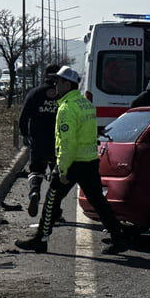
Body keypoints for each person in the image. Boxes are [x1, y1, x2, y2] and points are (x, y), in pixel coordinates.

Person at [15, 67, 127, 256]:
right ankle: (118, 237)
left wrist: (63, 170)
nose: (55, 85)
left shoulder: (67, 108)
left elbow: (67, 142)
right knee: (98, 201)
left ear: (68, 84)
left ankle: (40, 239)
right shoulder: (85, 104)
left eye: (59, 82)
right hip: (89, 161)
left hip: (73, 162)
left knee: (51, 199)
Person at [19, 64, 61, 217]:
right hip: (58, 142)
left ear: (45, 76)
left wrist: (25, 135)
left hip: (38, 140)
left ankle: (34, 191)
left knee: (36, 170)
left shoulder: (35, 93)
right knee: (57, 177)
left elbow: (24, 117)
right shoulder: (63, 94)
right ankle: (54, 211)